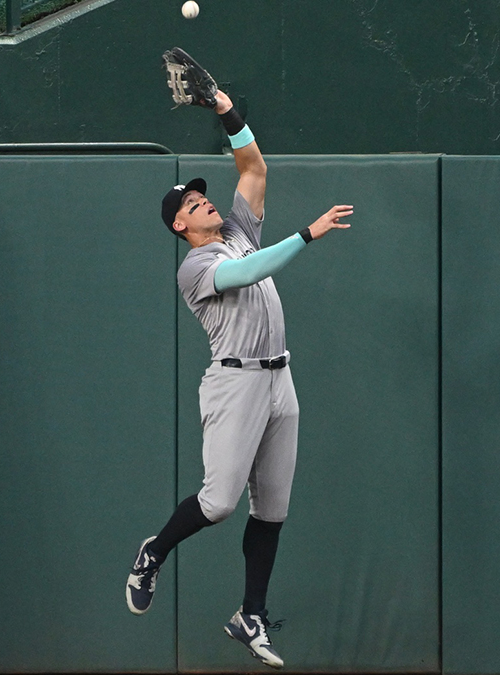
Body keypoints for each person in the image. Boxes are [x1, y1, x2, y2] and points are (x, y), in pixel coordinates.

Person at [125, 82, 353, 671]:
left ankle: (250, 613)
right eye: (192, 203)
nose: (204, 201)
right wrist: (306, 233)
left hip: (280, 380)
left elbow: (252, 169)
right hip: (235, 383)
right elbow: (250, 271)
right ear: (180, 226)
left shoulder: (234, 230)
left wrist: (226, 109)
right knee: (221, 502)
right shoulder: (198, 266)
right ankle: (154, 551)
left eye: (202, 197)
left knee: (272, 507)